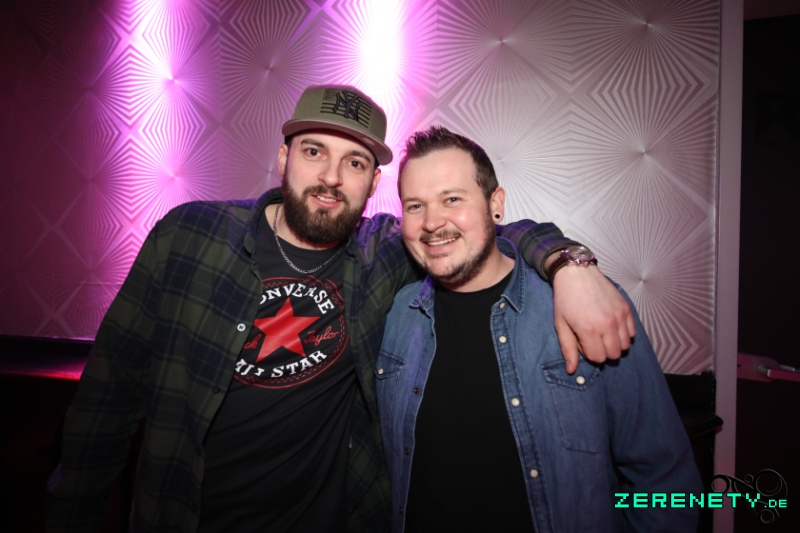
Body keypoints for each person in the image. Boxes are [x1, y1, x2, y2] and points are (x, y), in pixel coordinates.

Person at [46, 85, 634, 533]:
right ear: (283, 156)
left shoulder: (383, 254)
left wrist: (569, 264)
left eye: (354, 162)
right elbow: (108, 396)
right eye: (314, 151)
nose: (331, 177)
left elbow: (482, 230)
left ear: (372, 183)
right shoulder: (190, 236)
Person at [377, 126, 702, 533]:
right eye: (415, 206)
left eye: (452, 199)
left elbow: (664, 477)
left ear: (495, 205)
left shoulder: (588, 306)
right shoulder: (396, 314)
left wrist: (570, 265)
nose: (432, 222)